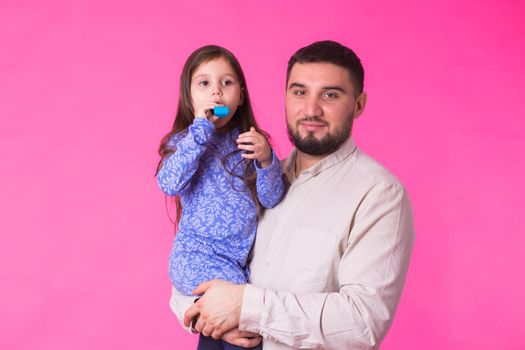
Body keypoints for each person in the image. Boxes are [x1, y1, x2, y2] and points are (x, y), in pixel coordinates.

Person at [171, 40, 415, 349]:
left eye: (330, 94)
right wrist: (206, 314)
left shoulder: (379, 194)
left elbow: (362, 322)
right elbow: (195, 262)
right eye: (299, 92)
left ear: (359, 104)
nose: (311, 109)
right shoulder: (250, 173)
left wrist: (244, 307)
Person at [156, 45, 285, 349]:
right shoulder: (185, 142)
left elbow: (272, 198)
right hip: (197, 258)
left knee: (224, 333)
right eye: (204, 84)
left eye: (226, 83)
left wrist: (267, 161)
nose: (216, 93)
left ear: (240, 95)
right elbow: (169, 183)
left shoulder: (250, 144)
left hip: (235, 264)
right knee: (244, 327)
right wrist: (200, 130)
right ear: (190, 97)